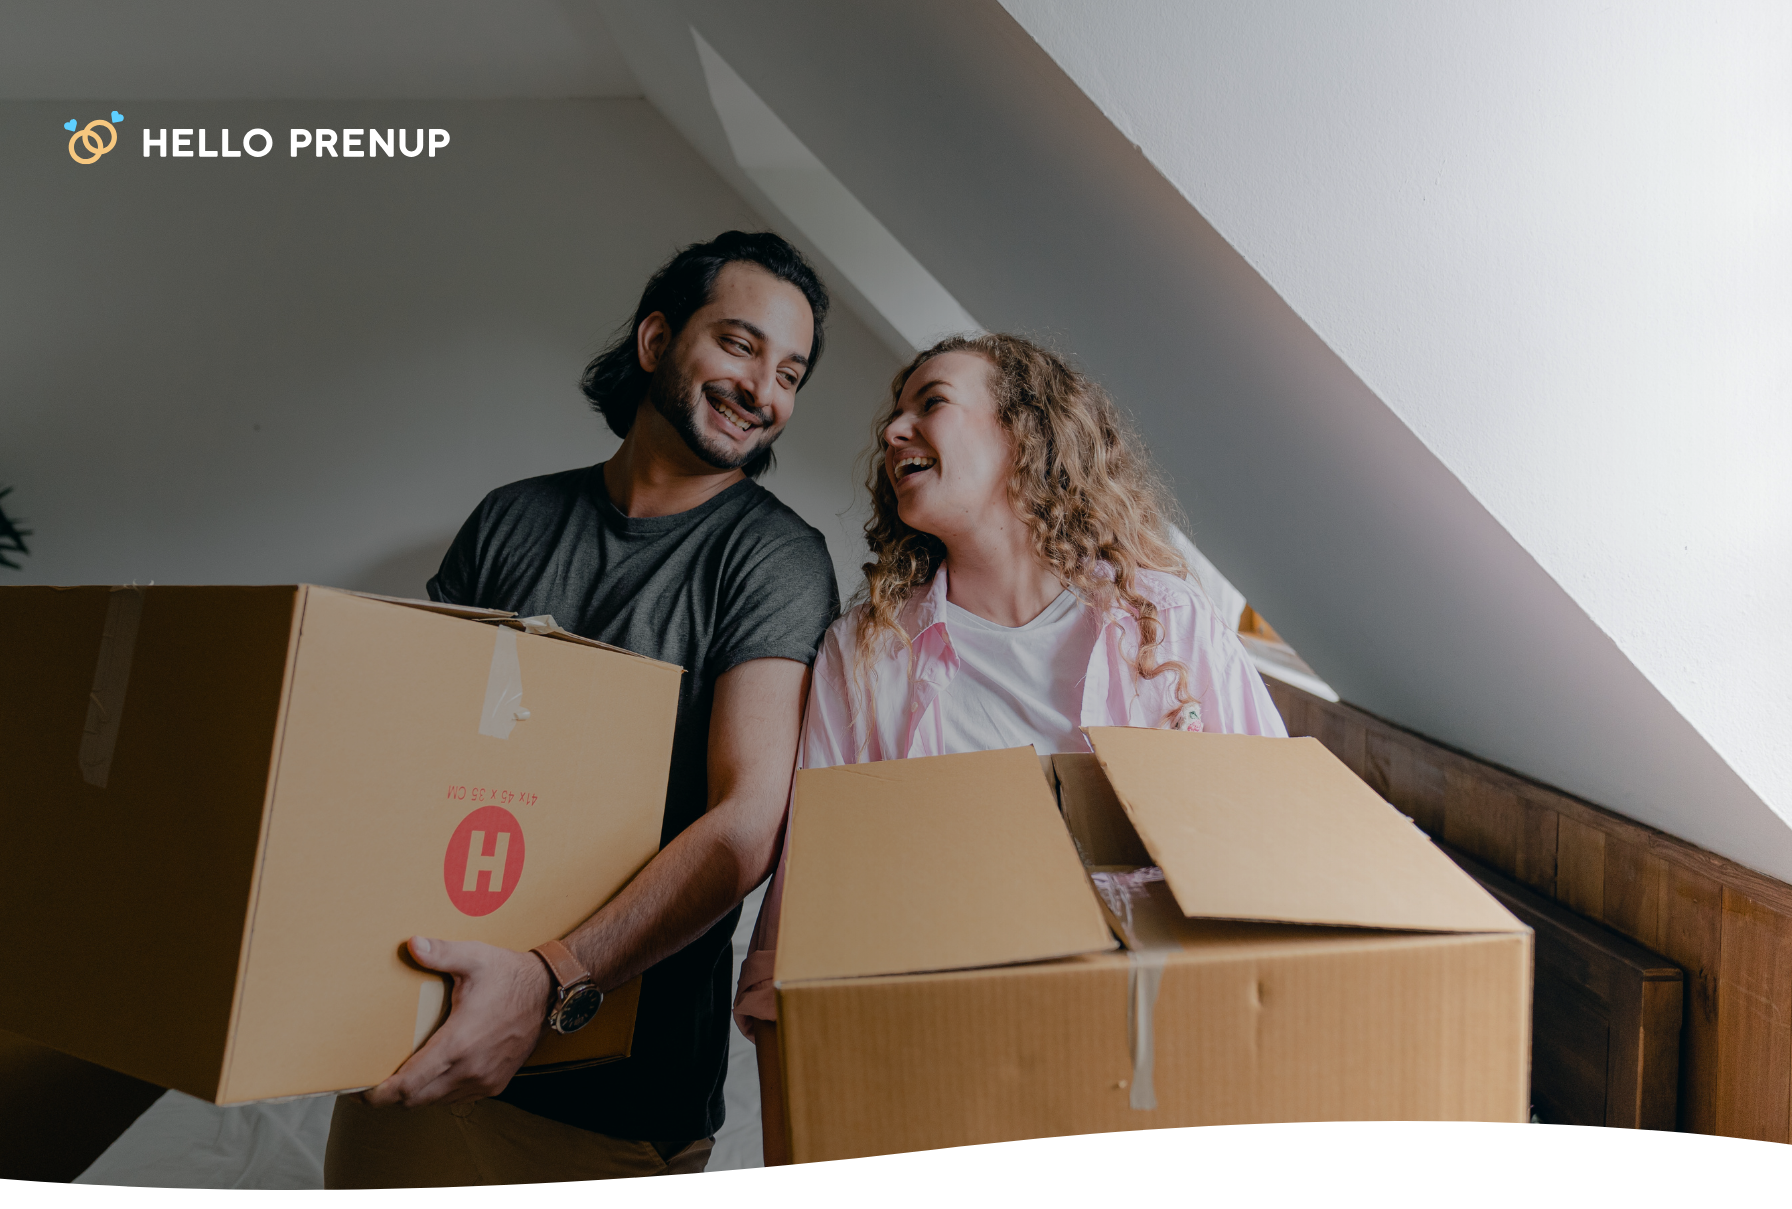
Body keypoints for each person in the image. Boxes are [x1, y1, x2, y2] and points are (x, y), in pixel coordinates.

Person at [324, 231, 841, 1186]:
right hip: (418, 1047)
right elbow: (414, 763)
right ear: (655, 341)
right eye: (739, 344)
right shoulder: (511, 519)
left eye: (791, 372)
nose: (764, 388)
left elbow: (744, 824)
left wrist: (551, 978)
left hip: (615, 1106)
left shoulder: (773, 560)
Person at [732, 333, 1287, 1162]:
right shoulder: (867, 652)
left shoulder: (1169, 623)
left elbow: (1285, 842)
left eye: (931, 401)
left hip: (1161, 1070)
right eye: (895, 410)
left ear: (1023, 431)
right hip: (947, 1073)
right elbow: (813, 901)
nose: (892, 430)